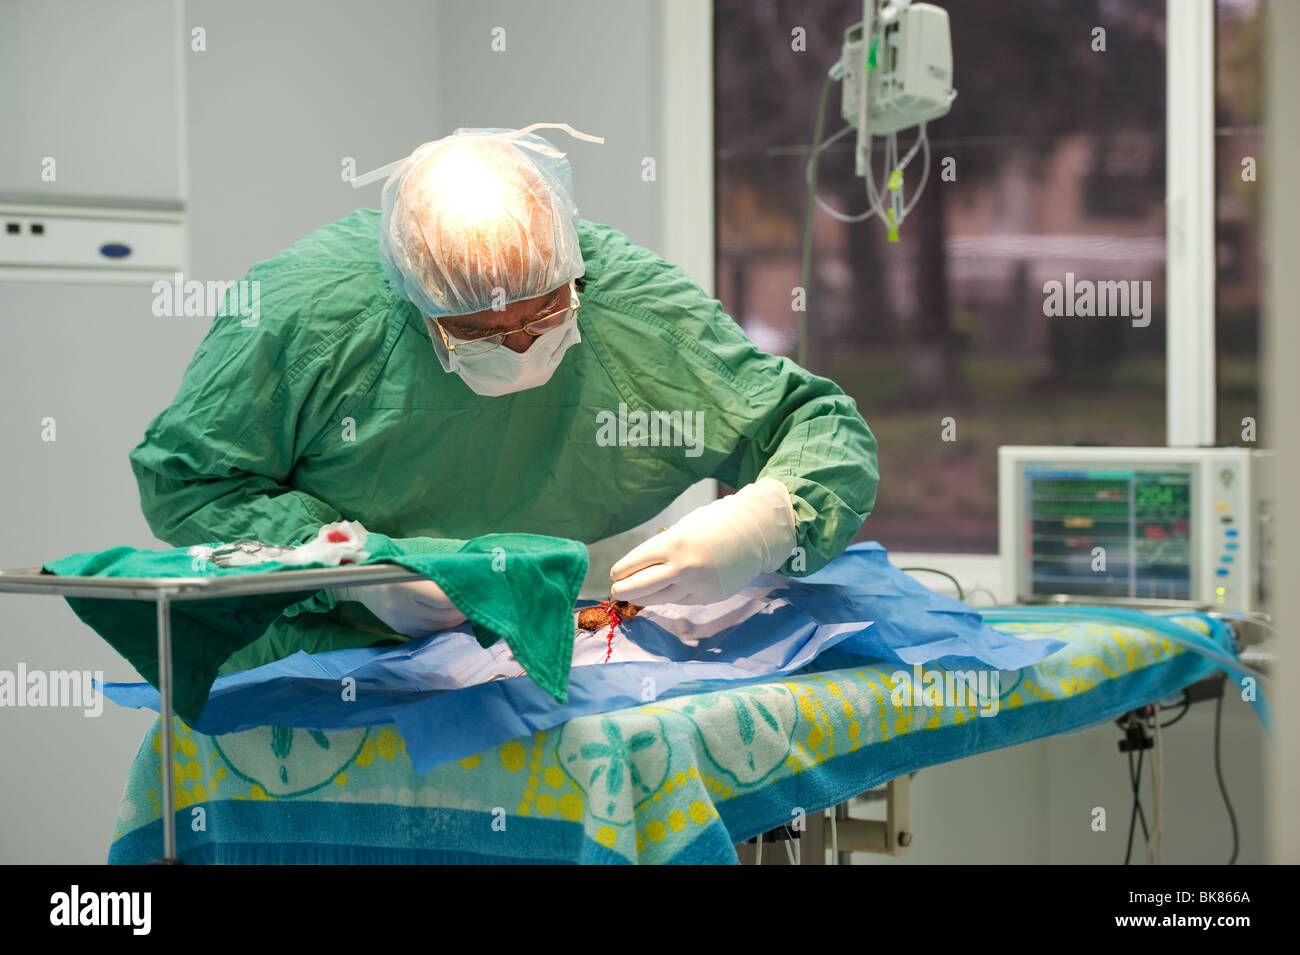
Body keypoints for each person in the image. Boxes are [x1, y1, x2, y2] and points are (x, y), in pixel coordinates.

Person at [129, 126, 879, 666]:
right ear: (411, 299)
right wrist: (350, 574)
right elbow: (189, 483)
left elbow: (816, 424)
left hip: (567, 650)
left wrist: (763, 523)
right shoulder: (305, 313)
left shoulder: (641, 312)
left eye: (543, 313)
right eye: (478, 329)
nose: (520, 344)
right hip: (333, 665)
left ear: (572, 265)